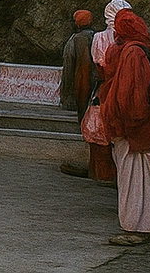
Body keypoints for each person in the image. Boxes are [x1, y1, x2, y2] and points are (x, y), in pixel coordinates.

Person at [101, 9, 150, 245]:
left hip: (133, 127)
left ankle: (136, 227)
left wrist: (127, 123)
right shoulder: (138, 49)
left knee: (134, 178)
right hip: (141, 125)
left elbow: (131, 94)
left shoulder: (133, 53)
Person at [89, 0, 132, 184]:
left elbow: (99, 66)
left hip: (105, 89)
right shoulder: (131, 38)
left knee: (99, 130)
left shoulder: (99, 38)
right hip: (124, 90)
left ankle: (105, 174)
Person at [59, 9, 97, 176]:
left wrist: (79, 92)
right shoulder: (88, 37)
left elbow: (82, 69)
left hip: (83, 86)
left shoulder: (82, 38)